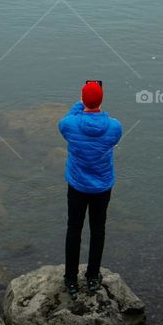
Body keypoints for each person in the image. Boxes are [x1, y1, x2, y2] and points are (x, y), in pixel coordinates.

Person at [58, 80, 123, 299]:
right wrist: (95, 106)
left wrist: (81, 102)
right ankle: (93, 277)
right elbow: (110, 132)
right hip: (102, 188)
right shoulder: (114, 127)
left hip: (77, 186)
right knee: (98, 230)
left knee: (74, 230)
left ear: (83, 99)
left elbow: (66, 120)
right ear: (102, 99)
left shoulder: (70, 125)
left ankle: (70, 279)